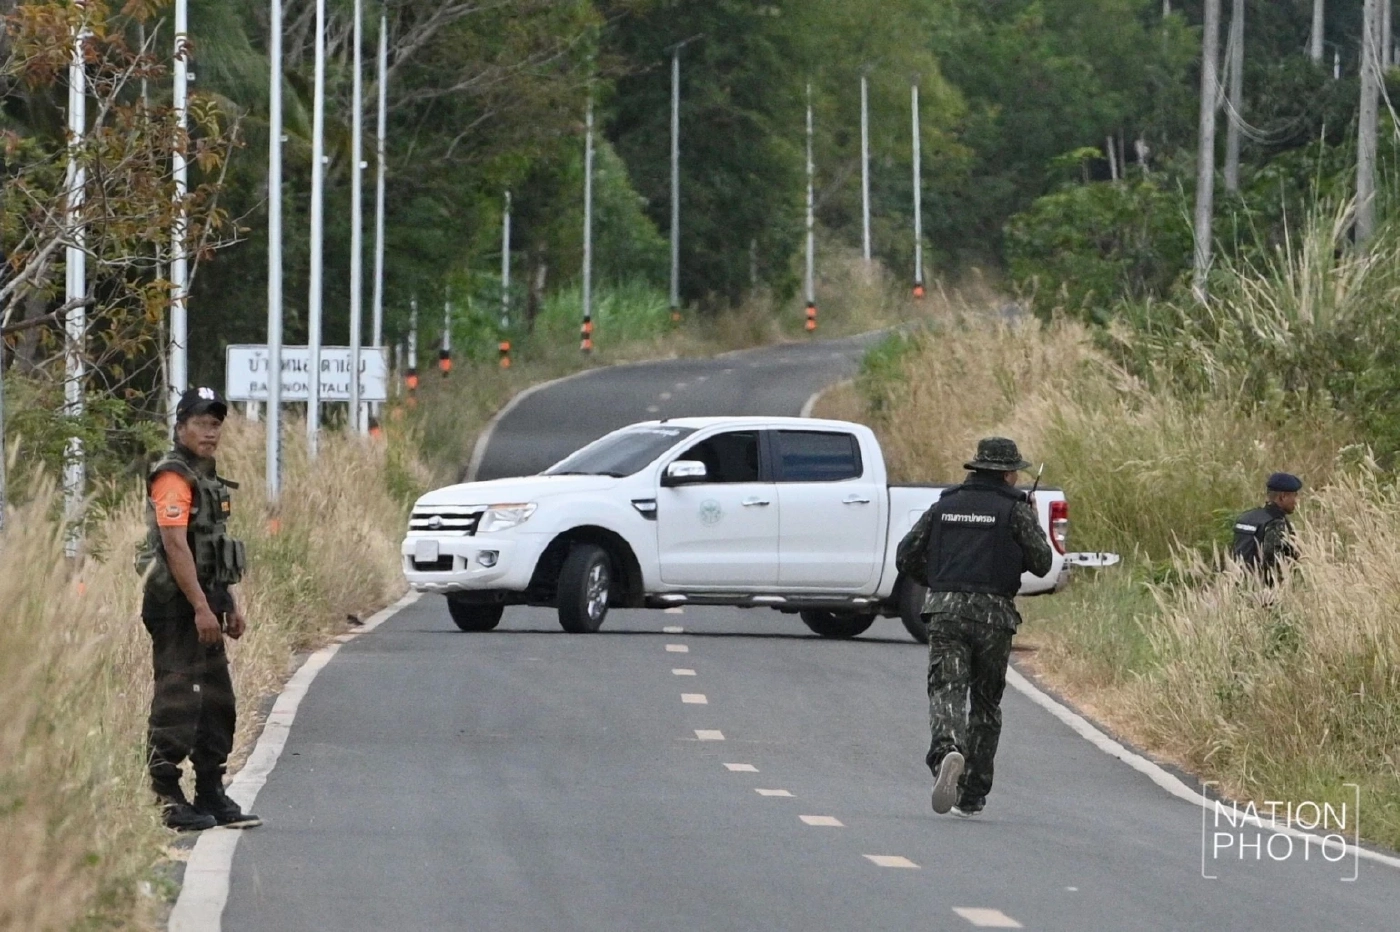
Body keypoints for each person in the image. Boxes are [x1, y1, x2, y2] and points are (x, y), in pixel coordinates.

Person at [896, 437, 1053, 817]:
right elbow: (1042, 563)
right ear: (1008, 473)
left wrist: (937, 581)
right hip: (994, 616)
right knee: (985, 703)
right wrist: (1031, 518)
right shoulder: (1015, 510)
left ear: (977, 467)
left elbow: (906, 555)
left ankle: (946, 752)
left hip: (946, 612)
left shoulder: (945, 505)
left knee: (946, 689)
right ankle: (971, 794)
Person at [135, 387, 261, 831]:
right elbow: (175, 546)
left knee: (216, 703)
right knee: (178, 699)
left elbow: (212, 549)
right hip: (176, 608)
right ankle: (166, 796)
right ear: (180, 427)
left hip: (205, 604)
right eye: (201, 424)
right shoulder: (173, 477)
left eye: (215, 425)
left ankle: (210, 790)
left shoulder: (205, 477)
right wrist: (200, 609)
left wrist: (228, 604)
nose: (210, 433)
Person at [1230, 472, 1302, 584]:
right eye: (1295, 496)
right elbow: (1275, 563)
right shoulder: (1276, 523)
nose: (1297, 501)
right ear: (1282, 497)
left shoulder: (1245, 518)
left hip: (1238, 582)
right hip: (1263, 588)